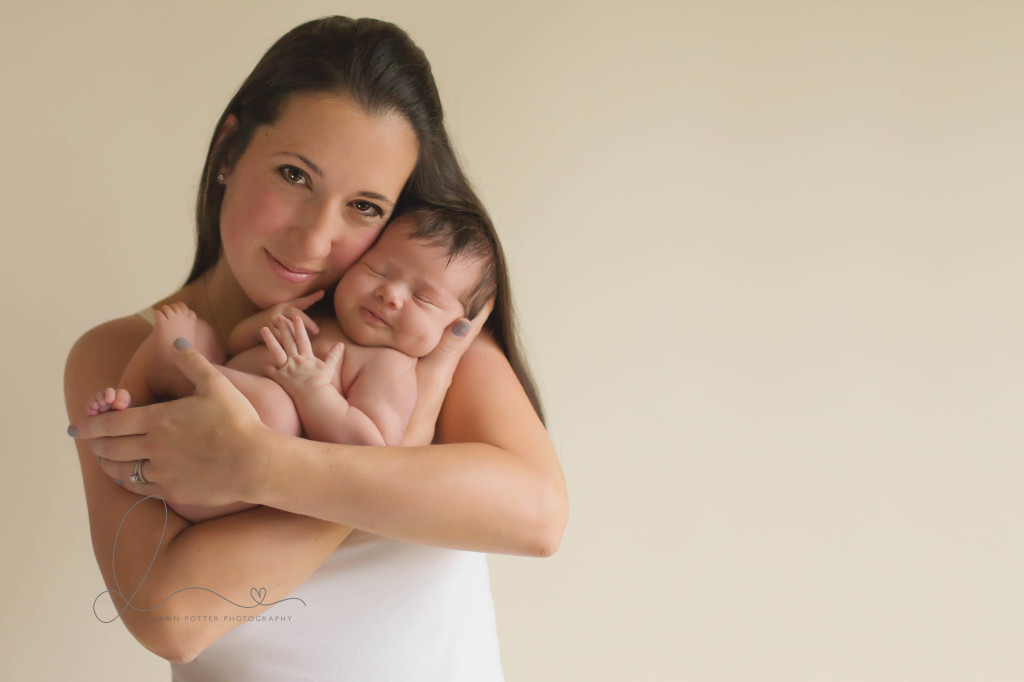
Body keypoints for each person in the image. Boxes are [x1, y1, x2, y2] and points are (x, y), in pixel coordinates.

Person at [64, 16, 567, 680]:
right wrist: (405, 443)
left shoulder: (414, 329)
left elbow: (537, 517)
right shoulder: (128, 350)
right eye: (295, 176)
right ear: (229, 151)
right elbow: (172, 618)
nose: (313, 240)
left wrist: (263, 466)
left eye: (364, 206)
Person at [88, 205, 501, 524]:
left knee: (275, 407)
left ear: (456, 328)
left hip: (221, 479)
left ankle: (171, 378)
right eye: (377, 270)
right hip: (202, 424)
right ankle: (140, 402)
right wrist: (262, 325)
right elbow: (236, 349)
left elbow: (369, 449)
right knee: (197, 333)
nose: (390, 294)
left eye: (423, 299)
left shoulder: (391, 368)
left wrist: (314, 393)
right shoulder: (324, 317)